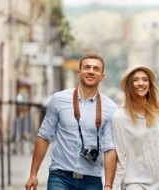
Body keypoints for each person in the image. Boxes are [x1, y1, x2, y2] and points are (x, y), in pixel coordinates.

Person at [25, 54, 118, 190]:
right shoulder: (58, 99)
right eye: (87, 67)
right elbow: (44, 136)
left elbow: (109, 148)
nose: (91, 71)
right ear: (79, 72)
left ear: (102, 76)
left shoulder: (110, 107)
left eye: (96, 69)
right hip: (60, 177)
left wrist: (108, 185)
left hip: (92, 180)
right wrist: (33, 174)